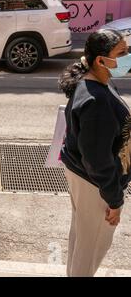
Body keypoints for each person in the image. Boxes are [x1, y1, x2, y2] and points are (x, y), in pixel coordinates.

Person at [59, 29, 131, 277]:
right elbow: (97, 161)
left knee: (82, 240)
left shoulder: (97, 81)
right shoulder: (95, 100)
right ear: (100, 61)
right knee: (90, 246)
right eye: (122, 53)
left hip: (87, 179)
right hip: (95, 185)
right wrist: (114, 200)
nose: (128, 57)